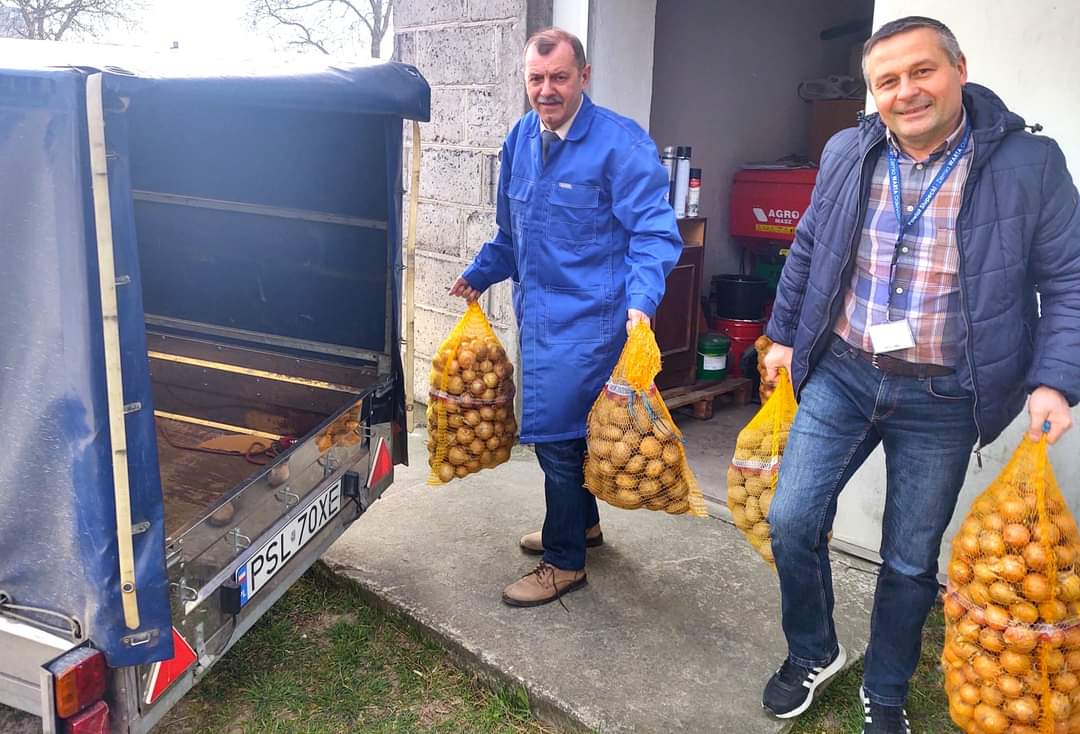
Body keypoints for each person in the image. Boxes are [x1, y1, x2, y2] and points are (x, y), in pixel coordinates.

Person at [759, 16, 1080, 734]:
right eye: (888, 81)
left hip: (942, 393)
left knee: (908, 558)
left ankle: (888, 688)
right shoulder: (848, 149)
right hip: (842, 372)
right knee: (791, 518)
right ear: (873, 92)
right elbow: (809, 245)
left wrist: (1055, 379)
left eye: (923, 71)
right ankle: (815, 651)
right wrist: (782, 335)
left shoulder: (1030, 163)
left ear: (959, 69)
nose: (907, 92)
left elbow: (1070, 280)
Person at [449, 27, 682, 608]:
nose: (546, 90)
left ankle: (563, 563)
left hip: (594, 322)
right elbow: (511, 233)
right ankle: (584, 527)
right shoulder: (521, 140)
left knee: (556, 441)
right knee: (571, 438)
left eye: (558, 77)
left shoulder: (620, 146)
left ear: (584, 75)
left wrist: (642, 301)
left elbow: (654, 233)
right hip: (540, 316)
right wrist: (480, 271)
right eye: (536, 78)